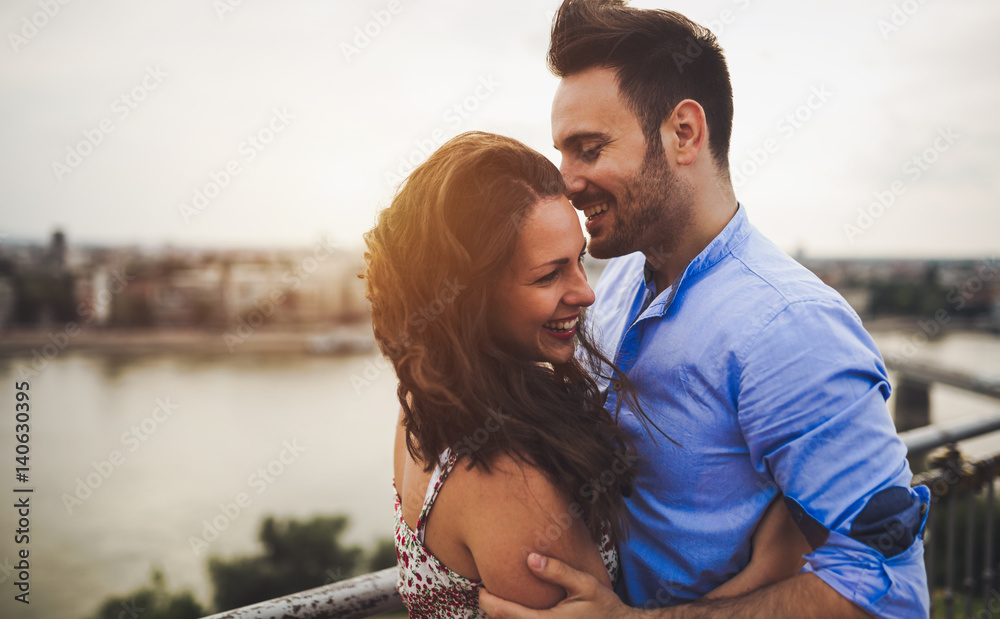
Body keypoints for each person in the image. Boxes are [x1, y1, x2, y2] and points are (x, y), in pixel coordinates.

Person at [478, 1, 931, 617]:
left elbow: (889, 594)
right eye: (562, 153)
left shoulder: (789, 327)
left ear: (684, 133)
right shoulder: (614, 283)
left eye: (588, 148)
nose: (566, 181)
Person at [363, 131, 810, 617]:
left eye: (578, 260)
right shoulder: (505, 478)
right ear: (469, 301)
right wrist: (768, 567)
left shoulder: (422, 408)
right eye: (548, 275)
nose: (586, 292)